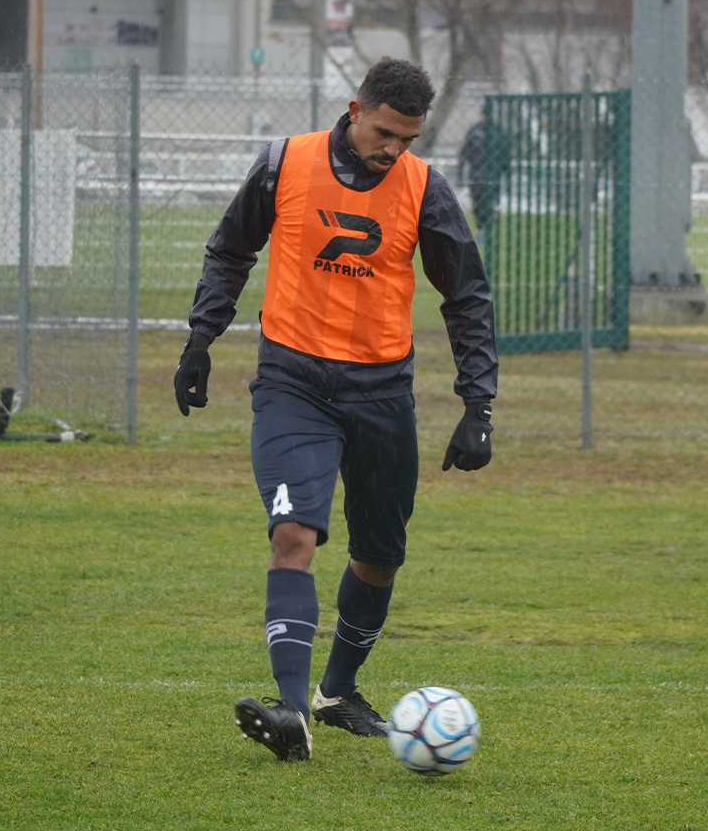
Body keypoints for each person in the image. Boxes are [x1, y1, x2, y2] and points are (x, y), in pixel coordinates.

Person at [174, 57, 499, 763]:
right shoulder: (283, 165)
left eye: (407, 140)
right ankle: (291, 714)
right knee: (294, 533)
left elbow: (466, 295)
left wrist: (479, 401)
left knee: (380, 556)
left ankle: (334, 692)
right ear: (355, 110)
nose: (394, 150)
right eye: (385, 132)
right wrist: (202, 337)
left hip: (382, 393)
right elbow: (232, 249)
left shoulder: (424, 189)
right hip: (294, 383)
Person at [457, 110, 511, 231]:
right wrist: (460, 174)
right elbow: (464, 153)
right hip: (476, 173)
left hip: (493, 174)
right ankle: (482, 227)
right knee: (477, 203)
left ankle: (488, 227)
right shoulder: (474, 131)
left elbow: (506, 154)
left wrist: (507, 175)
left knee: (489, 202)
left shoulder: (499, 131)